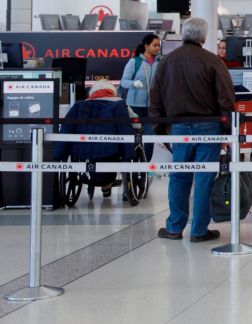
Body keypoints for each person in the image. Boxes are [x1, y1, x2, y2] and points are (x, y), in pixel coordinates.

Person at [150, 17, 236, 242]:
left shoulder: (166, 61)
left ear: (183, 34)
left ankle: (174, 227)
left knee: (179, 176)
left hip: (179, 127)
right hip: (209, 125)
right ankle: (199, 230)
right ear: (204, 37)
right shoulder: (213, 61)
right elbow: (226, 97)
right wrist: (228, 130)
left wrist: (159, 129)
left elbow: (155, 97)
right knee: (204, 177)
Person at [54, 81, 136, 200]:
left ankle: (102, 185)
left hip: (82, 151)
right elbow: (127, 126)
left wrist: (58, 154)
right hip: (109, 150)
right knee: (115, 151)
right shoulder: (119, 104)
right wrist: (129, 154)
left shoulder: (79, 105)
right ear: (112, 92)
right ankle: (106, 186)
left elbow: (67, 128)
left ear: (92, 92)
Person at [120, 33, 160, 161]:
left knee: (150, 137)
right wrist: (133, 84)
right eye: (155, 45)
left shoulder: (159, 62)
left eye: (159, 45)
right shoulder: (134, 62)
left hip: (152, 107)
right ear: (146, 46)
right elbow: (123, 81)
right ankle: (132, 163)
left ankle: (145, 167)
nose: (157, 48)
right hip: (135, 105)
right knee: (134, 137)